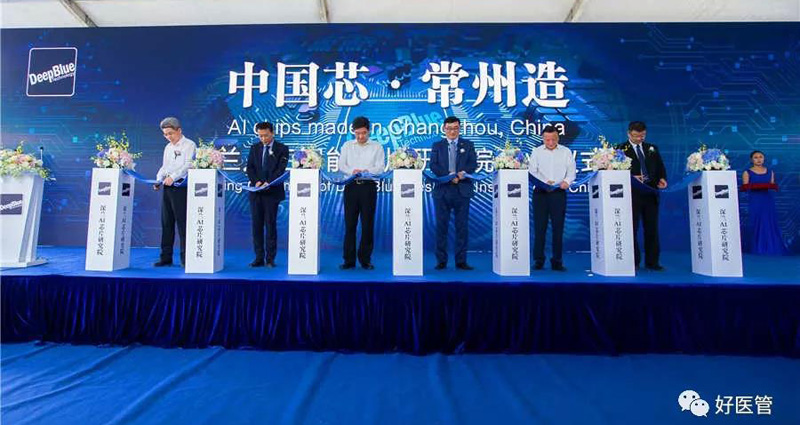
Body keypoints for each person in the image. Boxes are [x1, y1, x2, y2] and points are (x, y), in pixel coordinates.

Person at [616, 121, 668, 271]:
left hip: (651, 193)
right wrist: (632, 177)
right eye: (636, 136)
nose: (639, 139)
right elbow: (615, 171)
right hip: (632, 194)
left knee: (652, 228)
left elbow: (660, 167)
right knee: (632, 228)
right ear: (629, 134)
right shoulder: (620, 149)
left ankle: (653, 262)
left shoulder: (652, 148)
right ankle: (634, 261)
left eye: (642, 136)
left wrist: (662, 179)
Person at [430, 116, 477, 270]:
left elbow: (473, 164)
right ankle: (441, 260)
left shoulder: (468, 145)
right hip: (442, 191)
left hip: (462, 190)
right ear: (444, 129)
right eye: (449, 128)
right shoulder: (437, 146)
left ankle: (461, 261)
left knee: (462, 227)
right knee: (441, 227)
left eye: (455, 128)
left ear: (459, 129)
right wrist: (449, 176)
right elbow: (433, 166)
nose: (452, 131)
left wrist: (461, 174)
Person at [338, 116, 385, 270]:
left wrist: (366, 171)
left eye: (363, 133)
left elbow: (380, 167)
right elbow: (341, 165)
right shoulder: (347, 146)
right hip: (351, 186)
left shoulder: (377, 146)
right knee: (350, 225)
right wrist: (353, 171)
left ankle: (365, 259)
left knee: (367, 225)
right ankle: (349, 260)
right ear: (353, 132)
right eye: (357, 133)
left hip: (368, 188)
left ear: (369, 131)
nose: (360, 136)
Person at [529, 125, 576, 271]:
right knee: (539, 228)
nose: (550, 142)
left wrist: (566, 182)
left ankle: (557, 261)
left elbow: (571, 171)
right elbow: (532, 171)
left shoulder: (566, 151)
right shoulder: (536, 151)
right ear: (543, 138)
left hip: (558, 193)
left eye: (553, 139)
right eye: (547, 139)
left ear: (558, 138)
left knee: (558, 228)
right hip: (540, 193)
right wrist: (544, 183)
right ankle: (539, 260)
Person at [153, 117, 196, 267]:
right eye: (165, 134)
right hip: (167, 187)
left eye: (171, 133)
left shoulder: (189, 145)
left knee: (183, 224)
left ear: (179, 130)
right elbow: (164, 166)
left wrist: (173, 177)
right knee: (167, 223)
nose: (168, 137)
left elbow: (188, 165)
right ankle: (166, 257)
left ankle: (186, 259)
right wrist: (158, 179)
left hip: (181, 187)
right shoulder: (168, 147)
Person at [246, 121, 289, 267]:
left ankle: (270, 259)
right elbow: (250, 168)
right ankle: (258, 257)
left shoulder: (282, 149)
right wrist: (257, 181)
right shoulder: (254, 148)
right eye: (260, 136)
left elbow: (280, 170)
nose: (263, 139)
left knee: (270, 225)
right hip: (256, 192)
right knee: (256, 226)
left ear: (272, 133)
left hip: (272, 192)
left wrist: (268, 182)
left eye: (266, 135)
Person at [742, 150, 788, 255]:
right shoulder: (747, 172)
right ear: (751, 160)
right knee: (758, 222)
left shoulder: (770, 172)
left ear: (764, 159)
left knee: (769, 222)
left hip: (768, 199)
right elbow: (745, 187)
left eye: (760, 157)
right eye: (756, 157)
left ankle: (772, 247)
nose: (758, 159)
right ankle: (759, 247)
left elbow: (772, 185)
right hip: (755, 200)